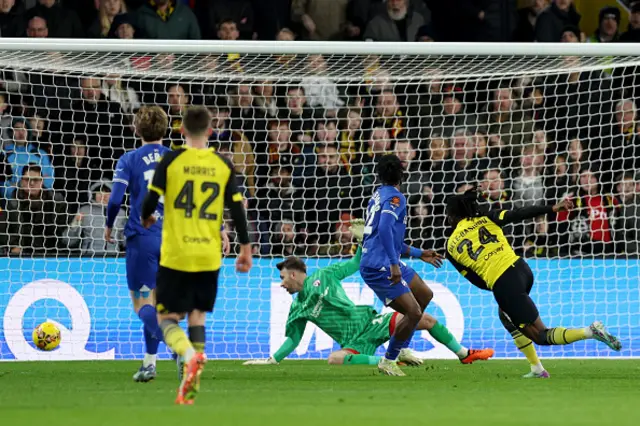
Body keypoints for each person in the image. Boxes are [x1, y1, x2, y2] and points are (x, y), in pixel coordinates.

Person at [244, 220, 494, 366]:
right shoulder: (298, 309)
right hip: (354, 342)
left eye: (283, 277)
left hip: (369, 321)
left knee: (424, 318)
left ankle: (464, 354)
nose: (282, 284)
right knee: (334, 359)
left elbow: (354, 265)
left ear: (295, 273)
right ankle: (389, 361)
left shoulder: (325, 275)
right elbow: (293, 340)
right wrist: (272, 360)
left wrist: (362, 242)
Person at [444, 189, 622, 378]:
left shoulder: (451, 247)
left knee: (540, 335)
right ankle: (536, 368)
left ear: (452, 216)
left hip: (503, 282)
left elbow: (475, 280)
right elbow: (520, 213)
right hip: (522, 269)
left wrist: (499, 287)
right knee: (506, 316)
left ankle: (589, 331)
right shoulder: (488, 218)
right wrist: (553, 207)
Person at [141, 106, 252, 405]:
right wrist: (245, 248)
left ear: (181, 131)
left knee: (165, 317)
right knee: (197, 315)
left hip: (176, 254)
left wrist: (147, 217)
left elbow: (149, 201)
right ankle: (194, 375)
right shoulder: (222, 164)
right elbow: (238, 211)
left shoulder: (172, 159)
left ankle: (189, 356)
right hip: (208, 255)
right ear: (211, 131)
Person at [359, 154, 444, 376]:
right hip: (380, 265)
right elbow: (386, 229)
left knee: (424, 294)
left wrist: (418, 253)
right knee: (414, 312)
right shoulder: (396, 198)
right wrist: (395, 265)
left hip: (382, 259)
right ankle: (389, 359)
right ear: (402, 175)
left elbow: (390, 238)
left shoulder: (377, 195)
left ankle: (402, 346)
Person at [105, 106, 171, 382]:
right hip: (174, 239)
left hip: (142, 238)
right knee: (159, 306)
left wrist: (109, 225)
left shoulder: (129, 159)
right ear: (165, 129)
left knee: (142, 304)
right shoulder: (176, 158)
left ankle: (179, 348)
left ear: (136, 129)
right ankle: (149, 363)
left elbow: (114, 199)